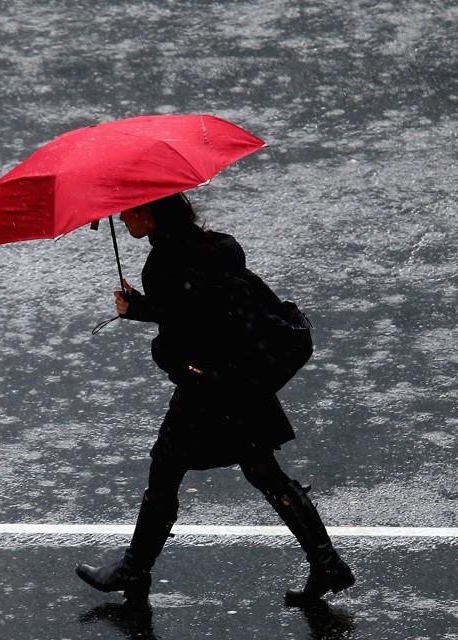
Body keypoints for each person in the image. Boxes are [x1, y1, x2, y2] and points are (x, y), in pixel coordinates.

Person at [75, 192, 355, 607]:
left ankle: (135, 567)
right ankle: (326, 561)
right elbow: (200, 307)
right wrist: (145, 309)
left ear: (147, 211)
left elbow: (183, 332)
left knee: (166, 470)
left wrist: (155, 337)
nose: (122, 216)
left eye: (128, 208)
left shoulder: (164, 264)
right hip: (244, 378)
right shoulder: (214, 246)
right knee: (263, 471)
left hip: (210, 389)